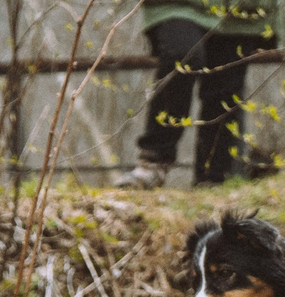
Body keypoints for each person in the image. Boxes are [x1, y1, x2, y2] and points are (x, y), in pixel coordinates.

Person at [115, 0, 275, 189]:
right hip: (178, 5)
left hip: (237, 11)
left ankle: (214, 177)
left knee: (225, 87)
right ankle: (154, 161)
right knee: (182, 55)